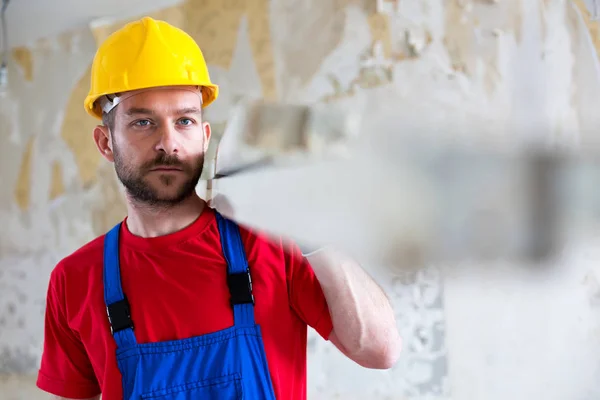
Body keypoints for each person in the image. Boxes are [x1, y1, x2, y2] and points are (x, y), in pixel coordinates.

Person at [35, 16, 401, 400]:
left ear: (205, 137)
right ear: (105, 143)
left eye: (185, 120)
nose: (169, 143)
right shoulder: (74, 280)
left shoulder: (271, 245)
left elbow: (381, 350)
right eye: (143, 122)